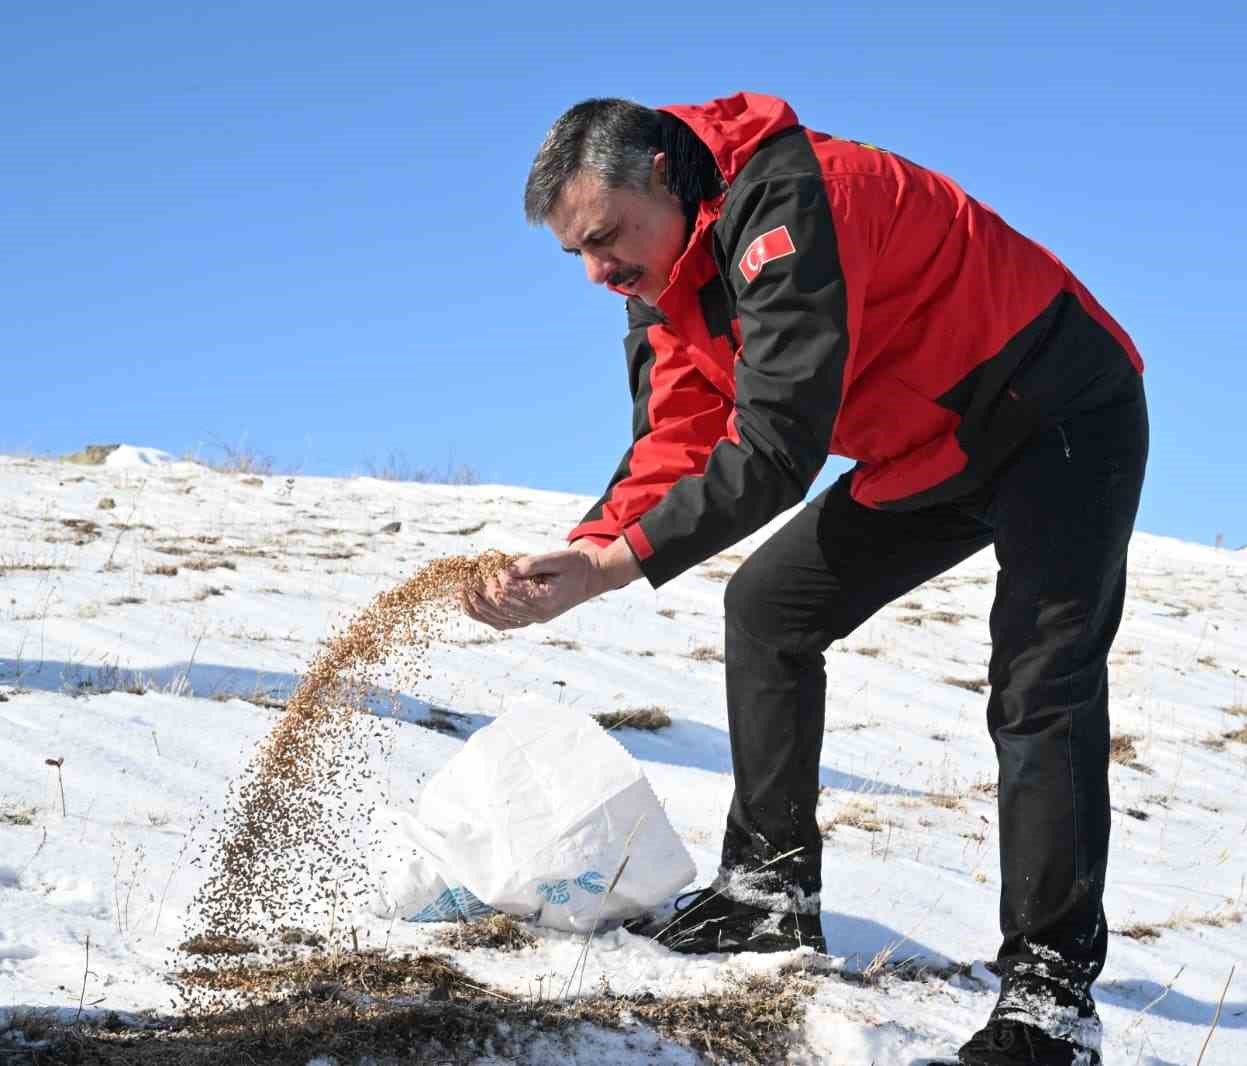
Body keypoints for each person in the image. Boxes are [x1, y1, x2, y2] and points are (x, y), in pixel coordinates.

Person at [462, 92, 1147, 1066]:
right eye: (575, 252)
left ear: (660, 172)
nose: (597, 272)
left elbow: (777, 444)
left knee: (1041, 683)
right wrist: (592, 545)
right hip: (930, 447)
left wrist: (622, 564)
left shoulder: (790, 203)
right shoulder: (664, 277)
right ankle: (767, 897)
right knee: (769, 608)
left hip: (1056, 408)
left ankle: (1050, 996)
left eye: (605, 237)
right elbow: (676, 429)